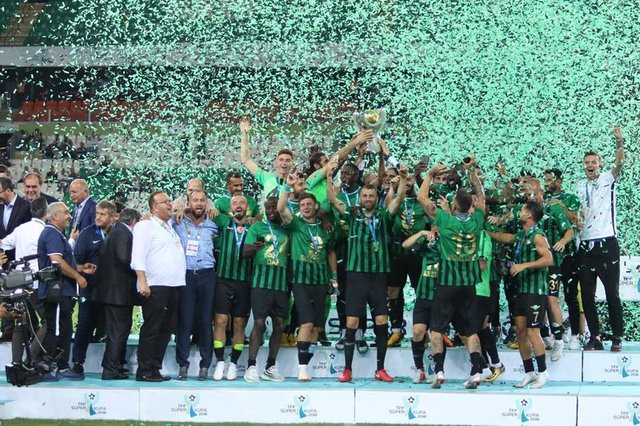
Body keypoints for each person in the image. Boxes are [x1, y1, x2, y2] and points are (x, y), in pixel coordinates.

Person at [328, 162, 409, 383]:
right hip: (356, 276)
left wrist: (403, 179)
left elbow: (399, 199)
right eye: (364, 196)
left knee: (381, 320)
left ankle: (380, 369)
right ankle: (347, 370)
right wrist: (328, 176)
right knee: (352, 322)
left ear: (376, 198)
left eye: (371, 196)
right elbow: (333, 200)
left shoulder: (383, 215)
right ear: (360, 198)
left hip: (378, 275)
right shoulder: (352, 215)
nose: (367, 199)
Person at [417, 163, 488, 389]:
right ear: (470, 206)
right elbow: (482, 199)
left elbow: (421, 197)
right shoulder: (476, 221)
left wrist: (430, 174)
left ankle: (439, 371)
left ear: (454, 205)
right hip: (468, 286)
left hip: (447, 284)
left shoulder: (445, 220)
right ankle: (475, 372)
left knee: (437, 329)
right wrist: (472, 174)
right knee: (470, 331)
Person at [488, 201, 553, 388]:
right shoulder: (522, 234)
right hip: (522, 291)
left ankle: (543, 373)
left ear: (529, 214)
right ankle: (529, 372)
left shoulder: (538, 235)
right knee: (521, 332)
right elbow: (505, 238)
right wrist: (486, 233)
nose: (520, 212)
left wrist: (524, 266)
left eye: (523, 209)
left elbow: (548, 259)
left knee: (533, 332)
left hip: (535, 291)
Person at [278, 178, 337, 381]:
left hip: (320, 281)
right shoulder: (296, 224)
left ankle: (307, 363)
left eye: (309, 204)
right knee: (307, 323)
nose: (305, 207)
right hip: (301, 281)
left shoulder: (325, 228)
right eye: (302, 204)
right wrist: (287, 187)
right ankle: (301, 367)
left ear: (315, 206)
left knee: (316, 327)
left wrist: (334, 277)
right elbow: (281, 208)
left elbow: (330, 252)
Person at [576, 126, 625, 352]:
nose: (590, 165)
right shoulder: (579, 186)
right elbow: (578, 213)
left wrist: (619, 141)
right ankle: (594, 336)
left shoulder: (608, 178)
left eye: (593, 162)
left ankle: (617, 336)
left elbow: (620, 163)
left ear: (600, 164)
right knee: (587, 295)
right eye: (587, 162)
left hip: (607, 242)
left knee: (612, 293)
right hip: (585, 245)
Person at [131, 192, 186, 382]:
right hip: (155, 285)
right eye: (166, 202)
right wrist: (143, 282)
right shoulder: (146, 226)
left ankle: (155, 368)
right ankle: (144, 370)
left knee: (165, 329)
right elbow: (137, 255)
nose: (170, 204)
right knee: (152, 328)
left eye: (170, 201)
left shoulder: (169, 226)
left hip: (173, 285)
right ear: (154, 207)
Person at [37, 202, 88, 381]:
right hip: (56, 291)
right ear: (54, 216)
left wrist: (80, 268)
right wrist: (78, 276)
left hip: (61, 291)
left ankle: (62, 367)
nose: (69, 216)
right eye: (66, 212)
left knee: (64, 329)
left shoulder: (55, 233)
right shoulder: (51, 233)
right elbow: (57, 261)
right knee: (56, 330)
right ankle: (44, 368)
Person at [242, 197, 290, 382]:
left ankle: (270, 367)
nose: (271, 211)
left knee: (279, 324)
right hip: (260, 284)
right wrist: (254, 248)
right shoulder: (256, 228)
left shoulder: (287, 229)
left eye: (274, 207)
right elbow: (244, 253)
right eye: (268, 207)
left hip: (281, 284)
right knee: (259, 323)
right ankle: (251, 366)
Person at [173, 189, 218, 381]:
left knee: (206, 321)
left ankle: (205, 365)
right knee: (185, 321)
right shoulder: (178, 221)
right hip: (186, 275)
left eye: (202, 200)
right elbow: (159, 220)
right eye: (195, 200)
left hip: (207, 275)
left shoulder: (213, 224)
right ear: (189, 202)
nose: (199, 204)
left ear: (207, 203)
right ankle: (182, 364)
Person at [71, 200, 117, 378]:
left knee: (112, 328)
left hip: (111, 290)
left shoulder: (117, 233)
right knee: (84, 325)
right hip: (90, 289)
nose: (98, 217)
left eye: (102, 214)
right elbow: (75, 261)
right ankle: (77, 362)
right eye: (97, 213)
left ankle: (112, 365)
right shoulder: (87, 233)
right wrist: (82, 270)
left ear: (112, 217)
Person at [93, 208, 141, 380]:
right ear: (134, 222)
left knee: (118, 330)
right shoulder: (122, 233)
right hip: (117, 294)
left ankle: (113, 365)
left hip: (115, 293)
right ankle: (110, 369)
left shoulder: (116, 231)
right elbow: (125, 258)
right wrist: (140, 266)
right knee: (117, 332)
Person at [211, 194, 254, 381]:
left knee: (239, 324)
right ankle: (220, 361)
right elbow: (204, 208)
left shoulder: (254, 227)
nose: (238, 206)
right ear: (230, 207)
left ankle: (234, 363)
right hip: (223, 280)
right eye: (235, 203)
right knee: (220, 321)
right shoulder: (223, 222)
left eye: (242, 203)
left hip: (244, 282)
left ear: (247, 207)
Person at [1, 197, 48, 364]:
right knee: (48, 322)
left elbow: (3, 244)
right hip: (36, 283)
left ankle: (16, 363)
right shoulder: (45, 231)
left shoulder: (21, 228)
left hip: (18, 284)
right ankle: (31, 360)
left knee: (21, 322)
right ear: (46, 212)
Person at [543, 168, 583, 349]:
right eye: (545, 180)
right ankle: (552, 333)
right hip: (549, 257)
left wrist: (560, 205)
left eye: (549, 180)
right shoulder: (543, 200)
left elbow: (576, 220)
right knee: (549, 297)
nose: (546, 183)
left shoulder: (570, 198)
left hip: (567, 255)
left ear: (558, 181)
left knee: (570, 295)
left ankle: (575, 334)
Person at [401, 228, 440, 384]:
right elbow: (405, 245)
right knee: (418, 332)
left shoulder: (450, 242)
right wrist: (422, 233)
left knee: (437, 335)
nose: (436, 228)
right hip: (423, 295)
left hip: (441, 296)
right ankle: (419, 369)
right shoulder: (428, 242)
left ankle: (438, 371)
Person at [240, 116, 294, 201]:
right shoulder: (267, 178)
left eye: (287, 160)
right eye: (281, 160)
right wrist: (244, 134)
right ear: (276, 163)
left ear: (292, 164)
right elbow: (246, 160)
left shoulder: (296, 183)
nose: (284, 163)